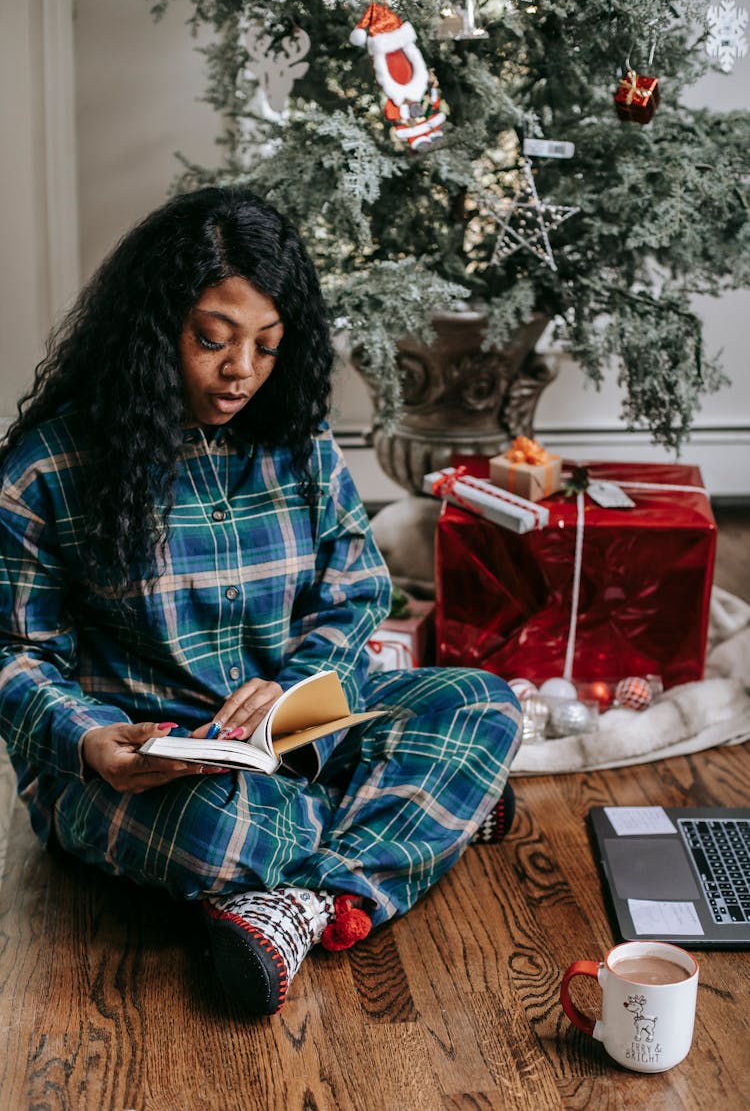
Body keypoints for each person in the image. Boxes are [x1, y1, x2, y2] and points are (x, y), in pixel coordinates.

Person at [0, 187, 521, 1016]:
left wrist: (297, 683)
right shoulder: (48, 470)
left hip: (294, 730)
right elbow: (16, 653)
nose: (242, 370)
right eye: (213, 339)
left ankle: (301, 902)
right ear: (153, 328)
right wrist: (90, 738)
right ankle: (410, 820)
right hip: (147, 767)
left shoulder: (296, 441)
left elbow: (354, 592)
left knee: (482, 702)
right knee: (225, 830)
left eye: (268, 346)